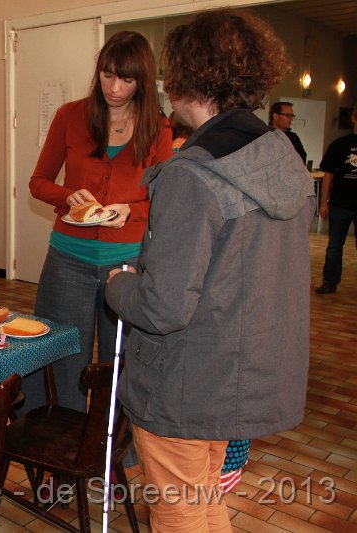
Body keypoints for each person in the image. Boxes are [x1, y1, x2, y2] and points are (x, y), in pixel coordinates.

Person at [106, 9, 315, 532]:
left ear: (183, 78)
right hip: (238, 375)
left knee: (179, 510)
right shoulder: (278, 155)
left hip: (187, 382)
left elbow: (163, 306)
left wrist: (119, 285)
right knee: (203, 502)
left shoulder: (191, 175)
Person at [23, 31, 173, 413]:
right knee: (62, 352)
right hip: (67, 258)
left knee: (120, 360)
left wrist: (132, 209)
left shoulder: (158, 128)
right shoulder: (70, 116)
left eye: (126, 79)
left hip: (128, 264)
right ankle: (58, 439)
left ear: (142, 80)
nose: (115, 87)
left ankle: (114, 451)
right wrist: (65, 196)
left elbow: (166, 197)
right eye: (107, 75)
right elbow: (38, 182)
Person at [315, 106, 357, 294]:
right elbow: (328, 175)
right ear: (354, 118)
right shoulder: (340, 145)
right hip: (340, 204)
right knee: (334, 245)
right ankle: (330, 280)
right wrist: (324, 202)